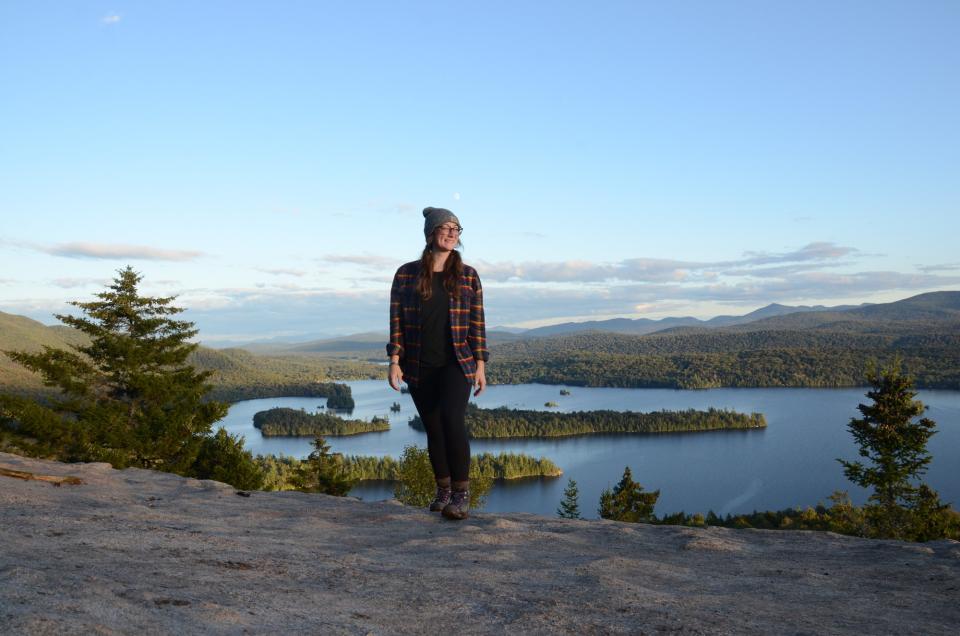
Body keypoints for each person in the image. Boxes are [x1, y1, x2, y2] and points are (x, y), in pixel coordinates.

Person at [387, 206, 489, 520]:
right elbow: (396, 320)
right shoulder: (406, 274)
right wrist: (394, 360)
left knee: (451, 420)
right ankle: (442, 490)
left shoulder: (468, 275)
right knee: (433, 427)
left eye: (456, 229)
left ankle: (461, 494)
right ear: (431, 233)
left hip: (458, 362)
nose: (451, 233)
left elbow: (477, 323)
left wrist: (481, 365)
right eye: (445, 228)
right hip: (418, 363)